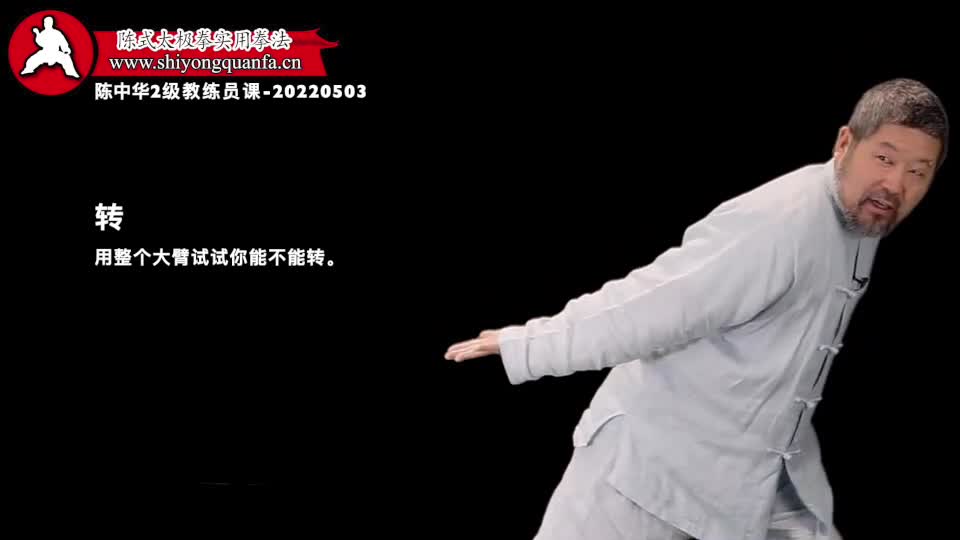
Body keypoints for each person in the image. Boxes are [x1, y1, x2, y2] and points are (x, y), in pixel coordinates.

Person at [444, 78, 949, 540]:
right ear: (844, 144)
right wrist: (528, 343)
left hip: (737, 481)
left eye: (917, 172)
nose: (895, 185)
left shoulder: (862, 221)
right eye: (884, 159)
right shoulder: (780, 224)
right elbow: (652, 304)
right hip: (638, 482)